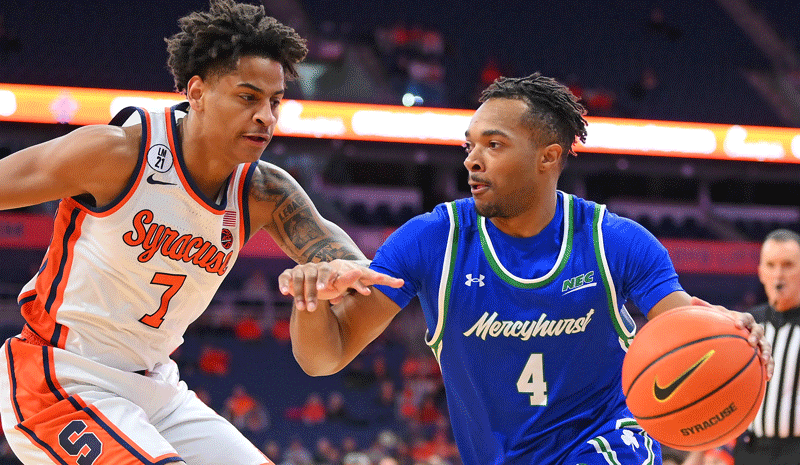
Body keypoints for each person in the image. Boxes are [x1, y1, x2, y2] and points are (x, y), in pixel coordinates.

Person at [279, 73, 774, 465]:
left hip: (606, 445)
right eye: (470, 146)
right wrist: (309, 299)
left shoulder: (615, 241)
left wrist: (731, 337)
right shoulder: (432, 240)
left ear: (548, 157)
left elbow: (683, 329)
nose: (472, 161)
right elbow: (325, 357)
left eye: (493, 145)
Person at [0, 1, 399, 464]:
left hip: (157, 386)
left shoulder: (264, 192)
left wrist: (334, 277)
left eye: (274, 102)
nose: (266, 117)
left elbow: (352, 267)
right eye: (248, 97)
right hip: (59, 377)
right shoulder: (117, 154)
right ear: (197, 91)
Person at [732, 229, 800, 464]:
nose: (778, 274)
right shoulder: (747, 323)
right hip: (749, 450)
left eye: (788, 265)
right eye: (771, 265)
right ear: (761, 272)